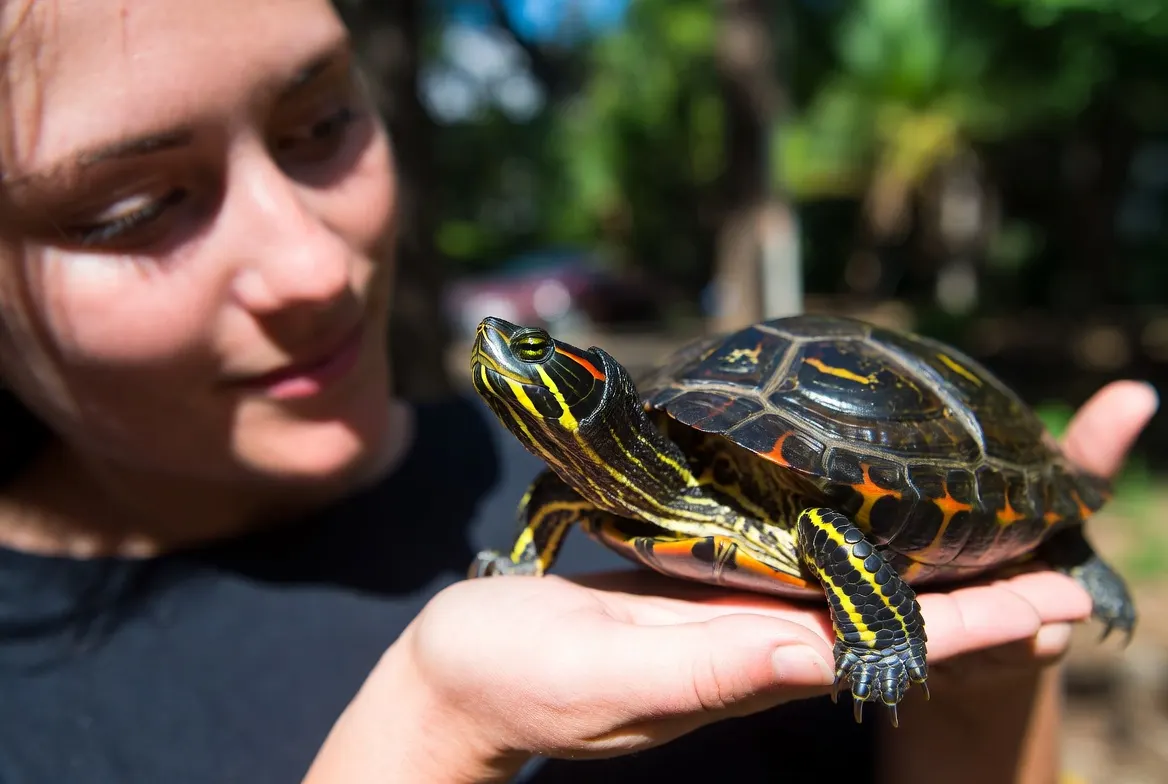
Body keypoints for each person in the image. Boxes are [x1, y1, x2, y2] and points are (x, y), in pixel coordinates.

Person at [0, 0, 1156, 782]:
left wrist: (978, 686)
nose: (310, 264)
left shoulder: (550, 500)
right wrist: (432, 733)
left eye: (323, 122)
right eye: (130, 211)